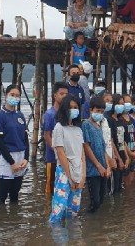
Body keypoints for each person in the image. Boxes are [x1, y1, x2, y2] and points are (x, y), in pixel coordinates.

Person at [48, 96, 85, 224]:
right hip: (64, 172)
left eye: (76, 107)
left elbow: (82, 155)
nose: (73, 110)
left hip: (78, 170)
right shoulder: (59, 127)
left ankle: (74, 238)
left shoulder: (78, 129)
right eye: (70, 107)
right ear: (64, 109)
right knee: (59, 208)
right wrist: (70, 177)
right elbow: (60, 153)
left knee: (73, 209)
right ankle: (58, 239)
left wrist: (82, 177)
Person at [0, 84, 29, 205]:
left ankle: (14, 221)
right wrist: (11, 162)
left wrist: (26, 158)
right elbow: (0, 142)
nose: (15, 97)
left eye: (17, 95)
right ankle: (0, 221)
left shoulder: (20, 115)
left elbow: (25, 139)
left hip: (21, 156)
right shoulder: (0, 116)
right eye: (12, 95)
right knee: (2, 195)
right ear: (6, 96)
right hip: (7, 157)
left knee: (15, 193)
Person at [82, 97, 113, 213]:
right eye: (97, 111)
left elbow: (103, 148)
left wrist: (108, 166)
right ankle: (89, 222)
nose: (99, 113)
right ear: (91, 110)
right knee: (94, 200)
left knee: (101, 200)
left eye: (101, 111)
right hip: (92, 169)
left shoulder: (99, 126)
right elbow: (86, 146)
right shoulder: (86, 124)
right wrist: (98, 165)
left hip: (103, 168)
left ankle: (97, 226)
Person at [43, 82, 68, 196]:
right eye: (61, 93)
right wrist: (56, 151)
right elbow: (47, 135)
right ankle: (48, 209)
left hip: (66, 156)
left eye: (66, 94)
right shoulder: (49, 114)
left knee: (63, 185)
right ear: (55, 96)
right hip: (52, 157)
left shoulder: (67, 114)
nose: (64, 96)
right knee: (51, 185)